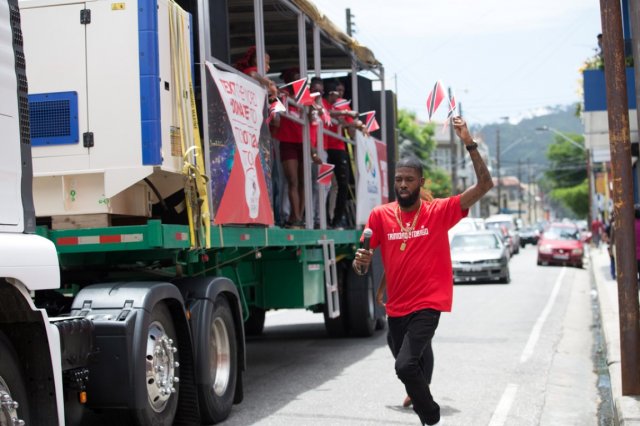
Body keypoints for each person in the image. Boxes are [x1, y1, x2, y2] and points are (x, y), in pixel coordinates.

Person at [353, 116, 493, 426]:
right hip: (397, 305)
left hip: (430, 301)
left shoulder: (439, 212)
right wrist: (360, 264)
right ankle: (420, 390)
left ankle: (429, 415)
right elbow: (366, 259)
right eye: (399, 179)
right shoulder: (380, 216)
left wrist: (468, 141)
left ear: (421, 182)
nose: (403, 185)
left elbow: (485, 185)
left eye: (409, 180)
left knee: (404, 366)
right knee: (406, 353)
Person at [271, 68, 322, 228]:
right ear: (287, 79)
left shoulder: (305, 95)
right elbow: (275, 118)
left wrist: (314, 107)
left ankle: (296, 217)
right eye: (294, 77)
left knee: (302, 182)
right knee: (292, 180)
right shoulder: (281, 93)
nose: (298, 80)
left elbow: (313, 120)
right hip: (286, 141)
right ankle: (297, 217)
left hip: (303, 143)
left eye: (300, 77)